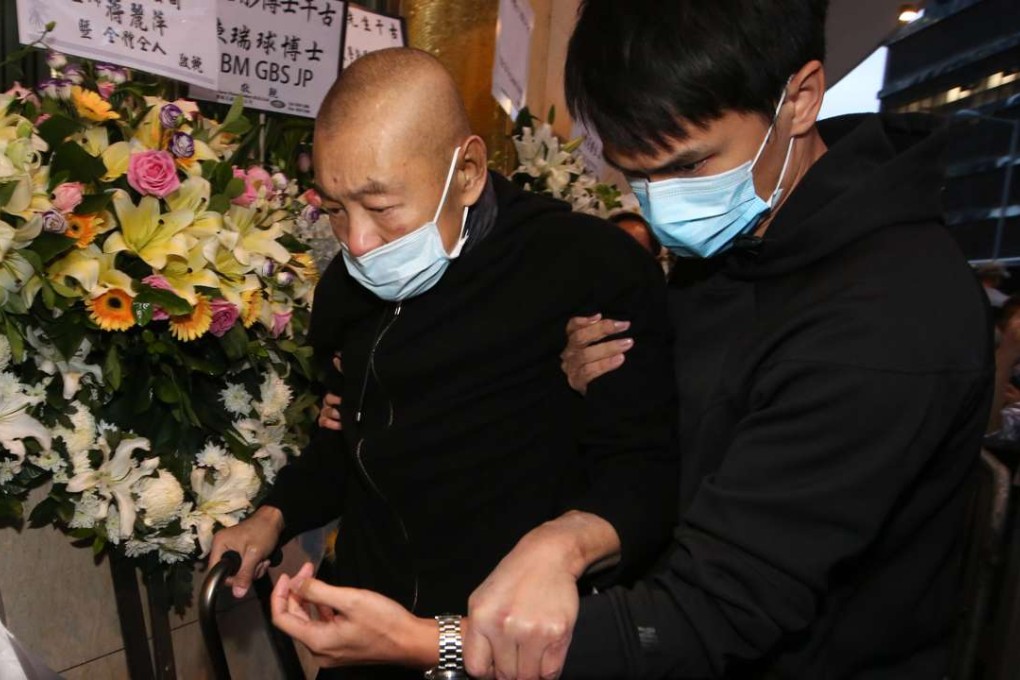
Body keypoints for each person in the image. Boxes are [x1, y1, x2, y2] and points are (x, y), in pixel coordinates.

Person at [287, 1, 994, 678]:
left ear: (801, 98)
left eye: (687, 166)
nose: (662, 204)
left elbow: (714, 610)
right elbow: (665, 437)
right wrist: (581, 382)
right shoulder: (744, 234)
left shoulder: (885, 323)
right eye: (636, 175)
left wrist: (427, 642)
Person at [210, 47, 679, 679]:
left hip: (507, 644)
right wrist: (272, 516)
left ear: (468, 172)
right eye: (335, 208)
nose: (357, 242)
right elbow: (345, 442)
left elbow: (643, 478)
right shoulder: (345, 291)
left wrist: (565, 545)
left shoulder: (585, 271)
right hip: (368, 634)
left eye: (381, 208)